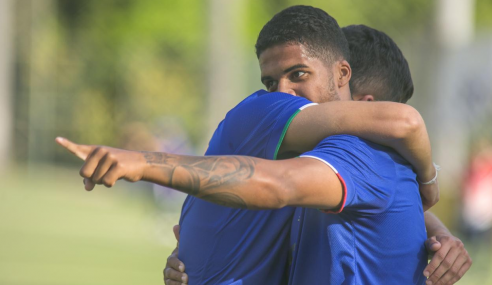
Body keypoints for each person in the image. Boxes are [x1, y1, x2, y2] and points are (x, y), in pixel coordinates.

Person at [57, 6, 470, 285]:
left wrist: (142, 162)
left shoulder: (362, 152)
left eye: (299, 75)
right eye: (271, 83)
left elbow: (277, 186)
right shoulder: (321, 161)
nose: (282, 95)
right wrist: (202, 256)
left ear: (349, 86)